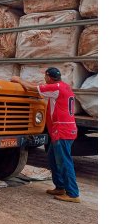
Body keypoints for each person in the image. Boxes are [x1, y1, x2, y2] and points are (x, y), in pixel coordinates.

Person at [11, 67, 80, 203]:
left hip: (62, 130)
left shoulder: (55, 88)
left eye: (45, 76)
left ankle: (73, 194)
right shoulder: (64, 86)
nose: (44, 79)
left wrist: (18, 79)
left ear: (48, 77)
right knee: (53, 158)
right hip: (63, 129)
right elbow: (41, 89)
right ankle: (60, 187)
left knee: (64, 162)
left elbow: (32, 88)